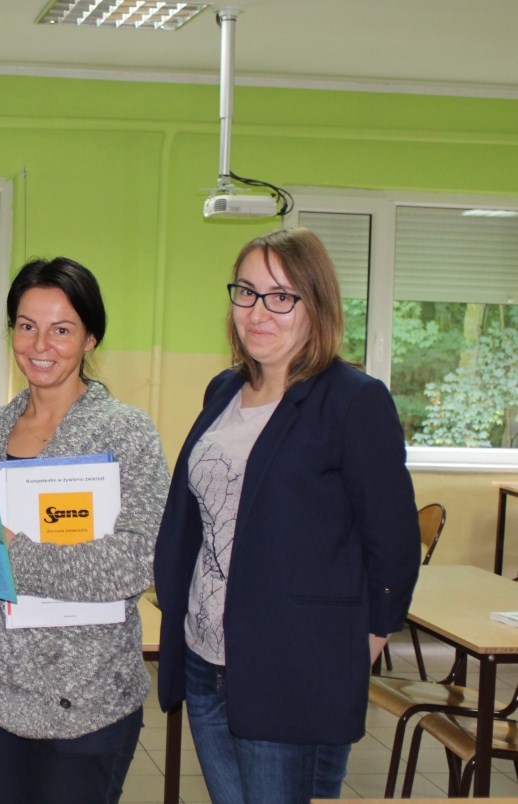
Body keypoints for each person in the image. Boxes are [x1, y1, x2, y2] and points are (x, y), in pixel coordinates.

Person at [153, 227, 421, 804]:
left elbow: (394, 540)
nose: (258, 312)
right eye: (246, 292)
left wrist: (363, 644)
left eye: (281, 296)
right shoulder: (223, 391)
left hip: (293, 668)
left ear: (315, 304)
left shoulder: (352, 400)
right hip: (206, 655)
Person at [0, 257, 170, 804]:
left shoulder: (126, 432)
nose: (40, 345)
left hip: (88, 698)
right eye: (26, 325)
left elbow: (138, 558)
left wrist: (15, 558)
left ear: (90, 337)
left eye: (62, 329)